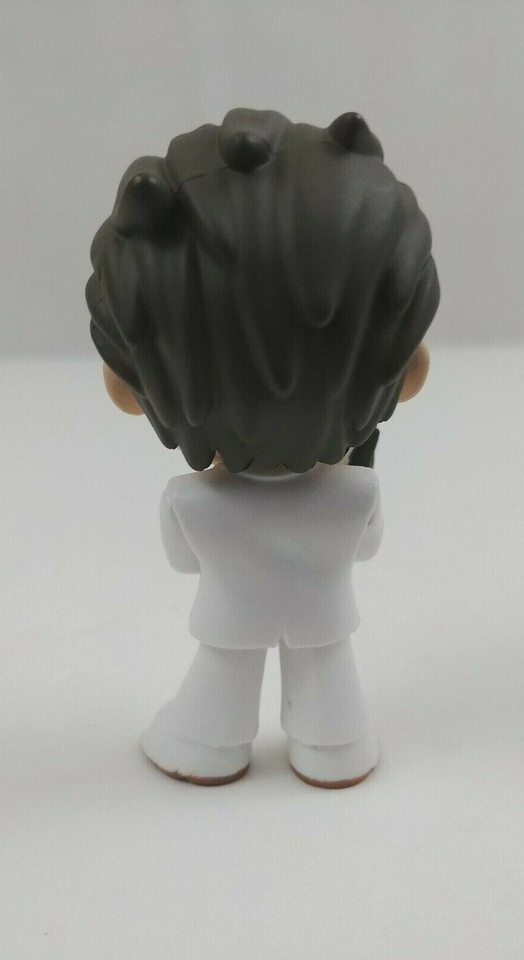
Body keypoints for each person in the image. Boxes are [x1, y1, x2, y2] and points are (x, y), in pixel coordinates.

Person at [87, 108, 439, 788]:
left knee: (219, 679)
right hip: (325, 616)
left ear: (134, 386)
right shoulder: (356, 493)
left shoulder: (191, 501)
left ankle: (205, 744)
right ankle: (336, 747)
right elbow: (366, 546)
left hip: (229, 619)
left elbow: (183, 561)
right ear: (403, 372)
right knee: (329, 674)